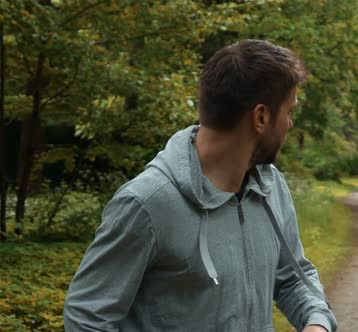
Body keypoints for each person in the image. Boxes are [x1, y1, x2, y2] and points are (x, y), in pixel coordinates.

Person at [63, 39, 336, 332]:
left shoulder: (271, 188)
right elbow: (86, 319)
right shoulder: (147, 203)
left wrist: (317, 323)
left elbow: (294, 277)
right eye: (289, 112)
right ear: (261, 117)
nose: (290, 125)